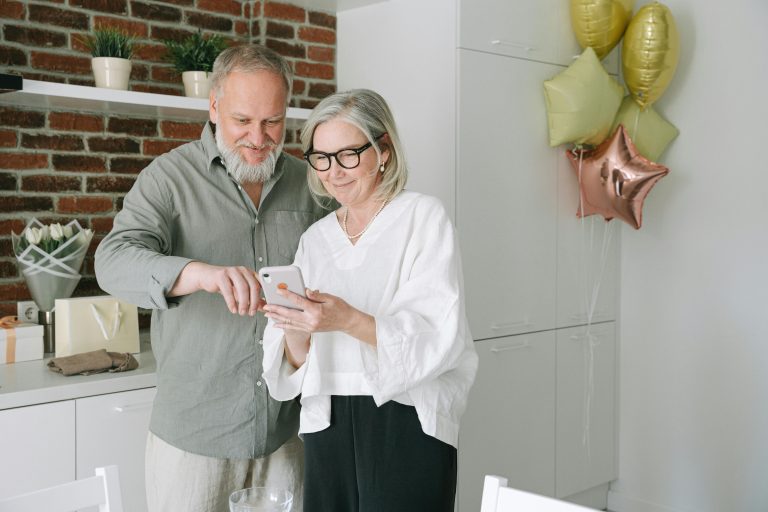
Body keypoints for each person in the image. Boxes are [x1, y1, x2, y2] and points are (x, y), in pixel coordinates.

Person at [94, 45, 328, 512]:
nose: (259, 138)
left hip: (288, 433)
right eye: (243, 120)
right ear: (214, 107)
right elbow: (112, 261)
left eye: (273, 122)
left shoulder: (312, 183)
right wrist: (194, 272)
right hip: (193, 439)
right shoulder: (169, 177)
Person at [261, 89, 478, 511]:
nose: (333, 172)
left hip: (406, 418)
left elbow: (438, 332)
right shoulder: (316, 239)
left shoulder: (423, 218)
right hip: (327, 420)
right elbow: (296, 362)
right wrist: (296, 327)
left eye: (347, 155)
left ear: (384, 150)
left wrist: (346, 320)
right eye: (321, 158)